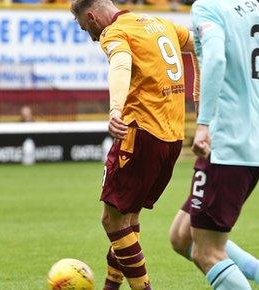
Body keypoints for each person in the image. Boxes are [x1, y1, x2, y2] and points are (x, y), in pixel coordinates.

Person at [168, 0, 259, 289]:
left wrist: (204, 123)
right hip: (253, 147)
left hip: (225, 144)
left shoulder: (207, 7)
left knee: (208, 252)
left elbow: (216, 59)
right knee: (182, 236)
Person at [70, 0, 198, 289]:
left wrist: (115, 109)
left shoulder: (114, 32)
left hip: (139, 134)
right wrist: (199, 95)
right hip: (172, 138)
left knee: (112, 221)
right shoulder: (160, 25)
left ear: (92, 16)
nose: (91, 36)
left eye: (85, 28)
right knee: (127, 219)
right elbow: (201, 44)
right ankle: (111, 286)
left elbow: (120, 63)